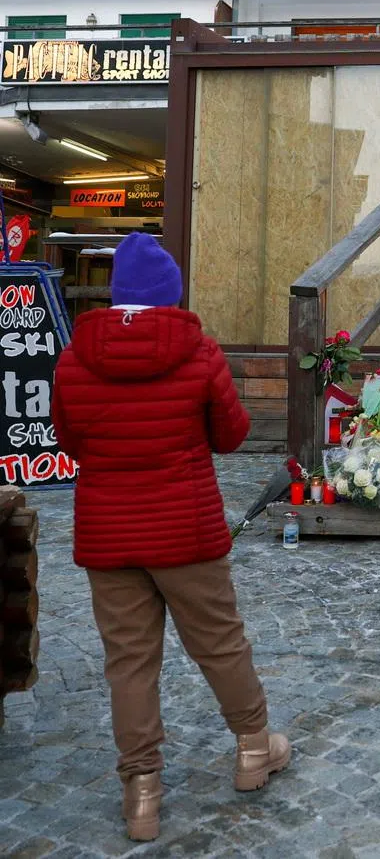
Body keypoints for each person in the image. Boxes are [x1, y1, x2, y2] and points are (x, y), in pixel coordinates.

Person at [51, 233, 291, 841]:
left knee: (129, 663)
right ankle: (253, 749)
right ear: (170, 294)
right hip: (186, 530)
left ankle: (142, 793)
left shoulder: (74, 359)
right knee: (220, 643)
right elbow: (232, 436)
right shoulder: (201, 353)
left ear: (117, 296)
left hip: (109, 533)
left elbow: (70, 442)